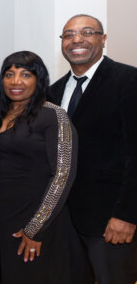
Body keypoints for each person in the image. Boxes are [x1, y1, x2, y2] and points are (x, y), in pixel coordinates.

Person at [48, 14, 137, 284]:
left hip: (109, 221)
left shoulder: (128, 81)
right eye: (69, 35)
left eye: (87, 32)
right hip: (64, 223)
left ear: (103, 39)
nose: (77, 39)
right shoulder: (53, 92)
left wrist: (126, 215)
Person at [0, 51, 80, 284]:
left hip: (35, 221)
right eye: (9, 74)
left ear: (39, 79)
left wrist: (35, 228)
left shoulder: (53, 115)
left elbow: (63, 175)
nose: (16, 81)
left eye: (25, 75)